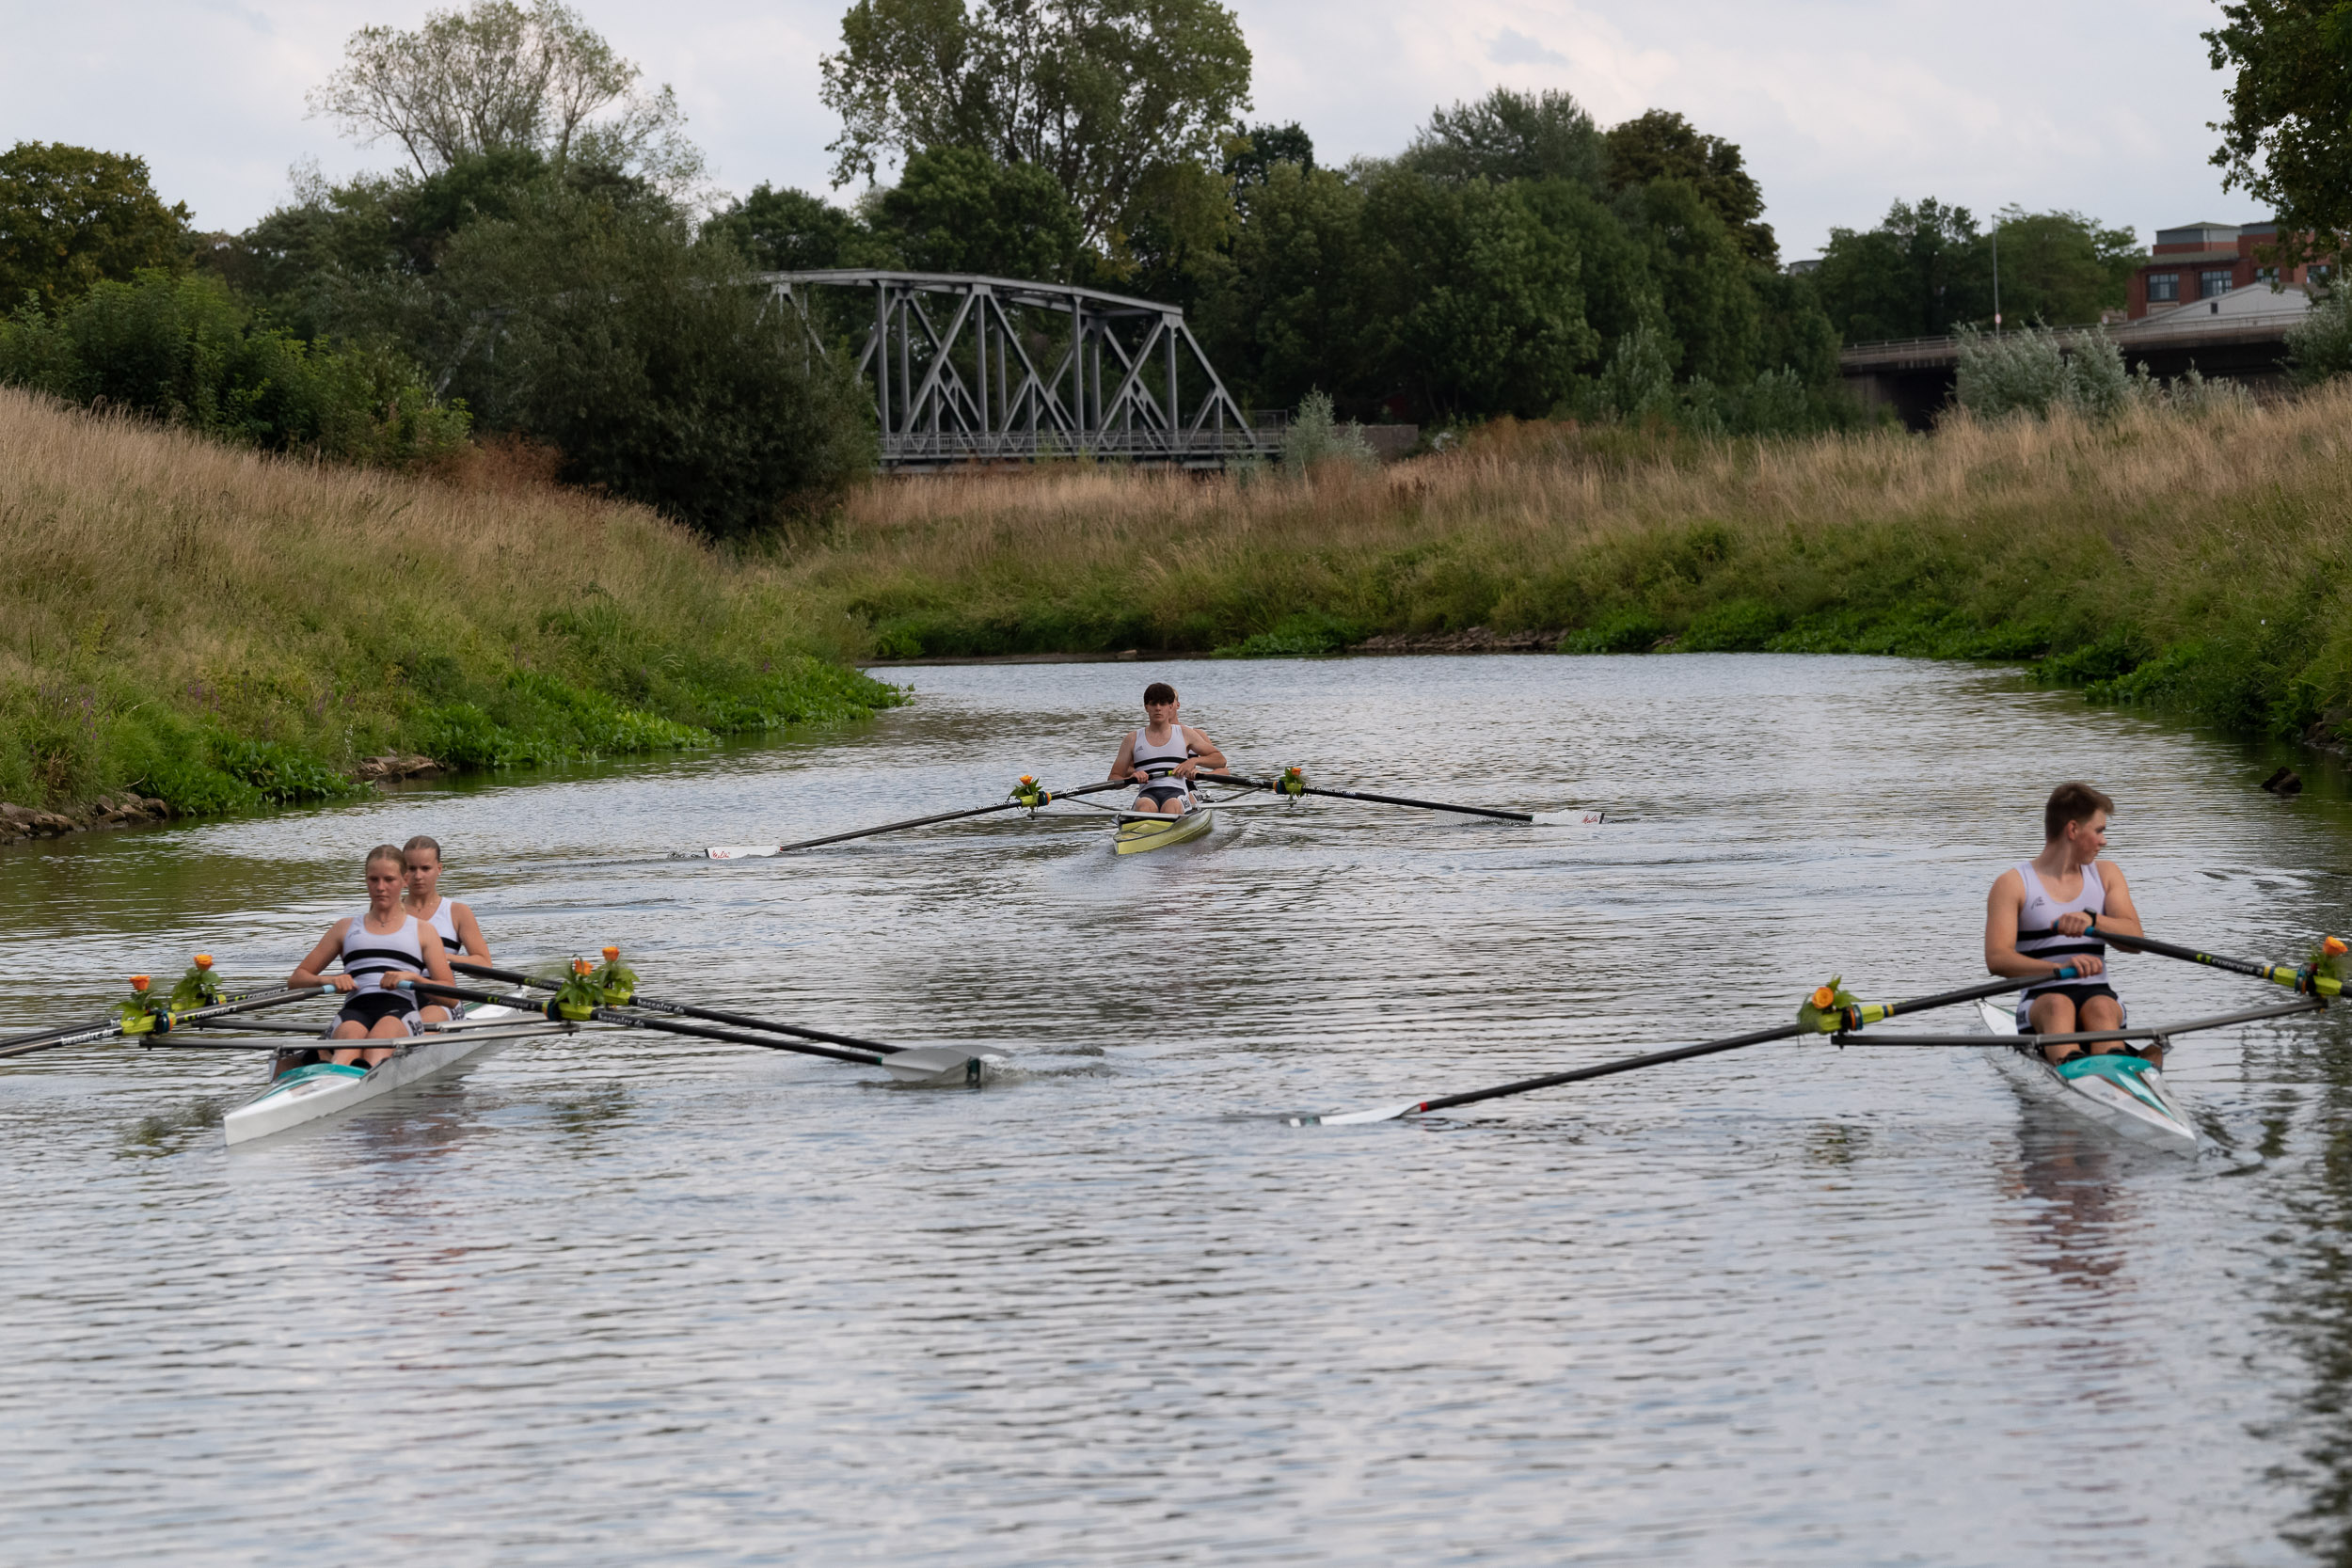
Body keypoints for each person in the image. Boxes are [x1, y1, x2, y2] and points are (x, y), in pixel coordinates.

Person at [1984, 782, 2147, 1065]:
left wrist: (2093, 920)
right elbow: (1997, 959)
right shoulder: (2012, 884)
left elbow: (2136, 940)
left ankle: (2113, 1070)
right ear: (2073, 830)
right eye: (2099, 831)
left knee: (2101, 1008)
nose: (2103, 841)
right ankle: (2073, 1067)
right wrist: (2059, 969)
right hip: (2041, 998)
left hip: (2099, 994)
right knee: (2058, 1005)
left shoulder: (2106, 874)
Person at [290, 844, 457, 1069]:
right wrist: (328, 980)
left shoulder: (423, 930)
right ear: (366, 880)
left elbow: (450, 996)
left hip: (400, 1008)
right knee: (348, 1043)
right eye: (373, 880)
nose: (381, 887)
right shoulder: (344, 928)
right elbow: (297, 979)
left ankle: (356, 1071)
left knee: (378, 1042)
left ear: (404, 880)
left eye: (389, 880)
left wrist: (415, 980)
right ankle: (333, 1077)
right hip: (356, 1007)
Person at [402, 835, 492, 1025]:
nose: (418, 876)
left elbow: (484, 967)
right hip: (398, 996)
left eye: (425, 868)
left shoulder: (457, 912)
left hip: (442, 998)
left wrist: (441, 958)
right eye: (412, 868)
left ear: (439, 869)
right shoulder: (388, 912)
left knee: (418, 1024)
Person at [1107, 682, 1228, 816]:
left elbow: (1220, 760)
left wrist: (1192, 762)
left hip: (1177, 792)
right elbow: (1113, 778)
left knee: (1171, 806)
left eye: (1163, 704)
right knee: (1143, 807)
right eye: (1153, 704)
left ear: (1171, 706)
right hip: (1147, 793)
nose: (1158, 708)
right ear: (1146, 707)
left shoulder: (1185, 733)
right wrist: (1131, 778)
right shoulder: (1131, 739)